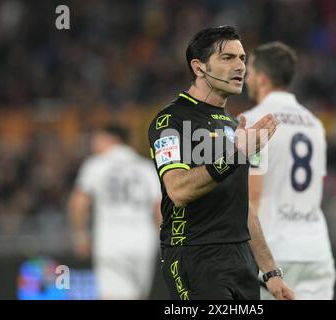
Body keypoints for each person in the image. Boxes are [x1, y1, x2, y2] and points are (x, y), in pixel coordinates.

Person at [148, 26, 294, 300]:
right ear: (199, 67)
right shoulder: (171, 120)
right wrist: (237, 154)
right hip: (194, 254)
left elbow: (244, 206)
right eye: (228, 58)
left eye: (241, 58)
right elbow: (178, 191)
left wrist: (271, 272)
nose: (240, 66)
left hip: (241, 262)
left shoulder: (234, 125)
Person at [242, 42, 336, 300]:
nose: (245, 77)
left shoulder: (254, 121)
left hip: (275, 250)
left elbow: (253, 194)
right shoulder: (314, 124)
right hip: (316, 250)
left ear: (262, 78)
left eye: (248, 71)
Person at [68, 124, 161, 300]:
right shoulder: (146, 167)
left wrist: (81, 235)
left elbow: (78, 203)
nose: (94, 144)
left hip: (111, 241)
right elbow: (160, 208)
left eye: (98, 139)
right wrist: (158, 237)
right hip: (143, 242)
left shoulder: (96, 164)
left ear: (112, 139)